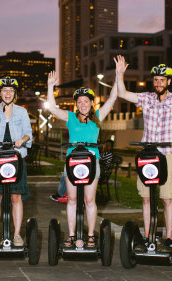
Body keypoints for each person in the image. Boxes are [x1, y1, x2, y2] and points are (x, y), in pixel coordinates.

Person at [115, 53, 172, 252]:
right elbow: (123, 94)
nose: (159, 82)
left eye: (162, 80)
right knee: (146, 197)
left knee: (167, 197)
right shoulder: (146, 98)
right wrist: (119, 74)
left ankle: (169, 237)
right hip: (148, 153)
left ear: (168, 81)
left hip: (168, 152)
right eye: (156, 79)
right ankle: (147, 235)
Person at [46, 70, 118, 248]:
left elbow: (112, 99)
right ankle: (71, 235)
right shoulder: (71, 117)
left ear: (92, 103)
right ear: (76, 104)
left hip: (92, 161)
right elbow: (53, 109)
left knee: (89, 200)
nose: (83, 104)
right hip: (72, 161)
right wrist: (50, 86)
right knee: (71, 200)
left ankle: (91, 235)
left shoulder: (98, 117)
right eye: (79, 102)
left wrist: (119, 75)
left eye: (86, 101)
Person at [0, 77, 32, 247]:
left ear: (15, 93)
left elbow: (28, 134)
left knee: (16, 196)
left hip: (16, 157)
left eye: (11, 91)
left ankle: (17, 235)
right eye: (4, 90)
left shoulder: (22, 112)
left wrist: (22, 140)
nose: (8, 93)